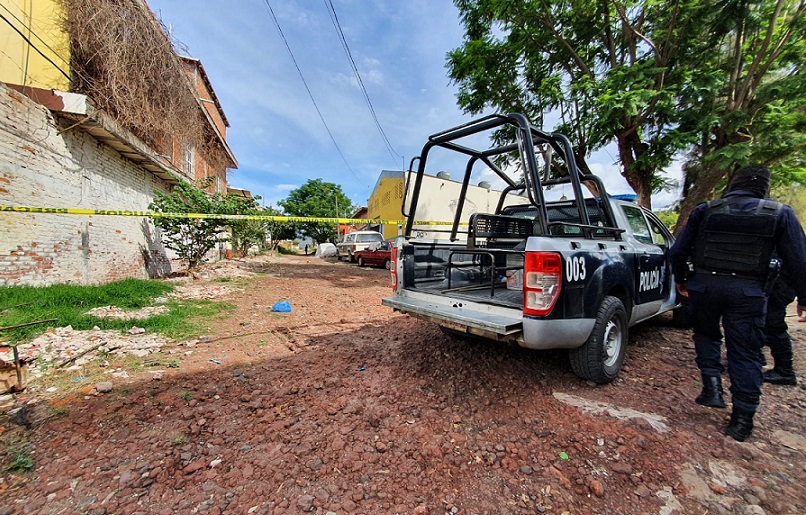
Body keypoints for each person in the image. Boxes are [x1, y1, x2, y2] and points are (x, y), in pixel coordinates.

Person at [669, 164, 806, 442]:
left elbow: (677, 252)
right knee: (744, 352)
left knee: (706, 335)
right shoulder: (780, 213)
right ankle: (741, 421)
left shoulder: (706, 210)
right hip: (748, 292)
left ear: (733, 183)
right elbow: (799, 260)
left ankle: (712, 389)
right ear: (764, 186)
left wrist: (682, 280)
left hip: (704, 287)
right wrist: (803, 298)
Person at [762, 270, 798, 386]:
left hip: (780, 283)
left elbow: (800, 262)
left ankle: (784, 370)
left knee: (773, 324)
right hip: (772, 281)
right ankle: (756, 356)